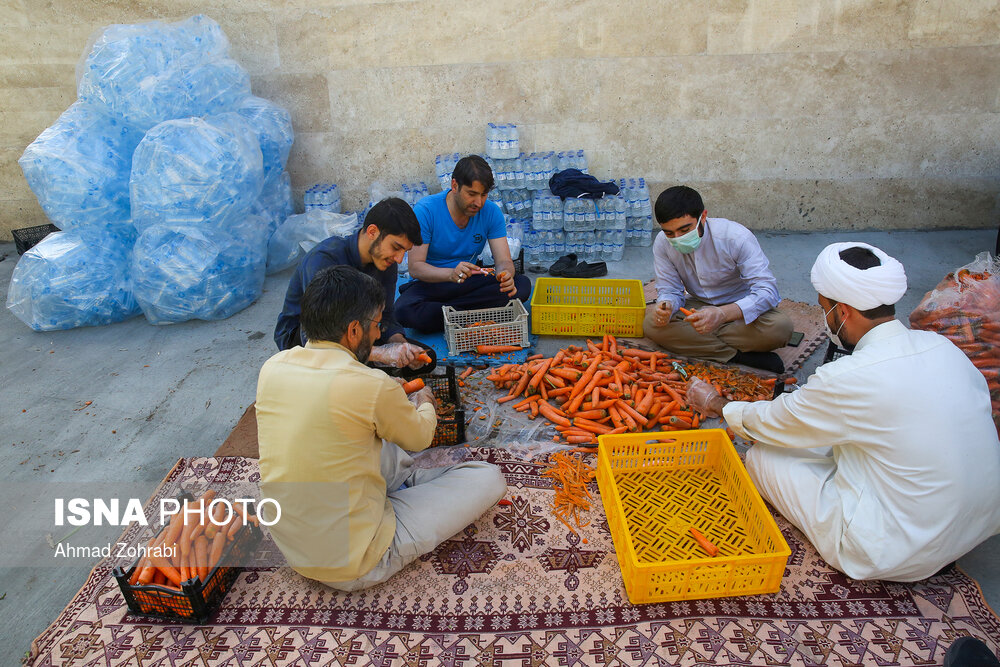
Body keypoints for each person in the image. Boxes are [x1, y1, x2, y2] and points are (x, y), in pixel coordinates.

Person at [685, 242, 1000, 582]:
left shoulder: (847, 377)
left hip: (895, 551)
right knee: (839, 437)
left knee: (763, 455)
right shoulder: (942, 347)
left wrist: (716, 403)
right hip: (974, 528)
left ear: (843, 311)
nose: (826, 318)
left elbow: (773, 423)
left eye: (825, 309)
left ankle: (856, 543)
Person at [256, 265, 507, 591]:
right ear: (353, 332)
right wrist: (425, 399)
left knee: (358, 435)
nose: (379, 334)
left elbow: (348, 396)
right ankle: (403, 491)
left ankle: (400, 485)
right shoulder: (371, 386)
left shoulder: (273, 368)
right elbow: (421, 437)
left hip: (294, 548)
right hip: (356, 563)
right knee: (488, 477)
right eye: (376, 325)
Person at [274, 197, 433, 375]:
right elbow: (317, 338)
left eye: (405, 251)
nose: (399, 258)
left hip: (361, 332)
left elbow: (386, 315)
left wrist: (399, 345)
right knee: (346, 372)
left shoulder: (386, 263)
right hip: (309, 339)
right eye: (396, 247)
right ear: (372, 231)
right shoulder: (324, 259)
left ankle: (367, 361)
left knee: (424, 359)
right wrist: (379, 353)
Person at [646, 185, 793, 373]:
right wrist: (666, 306)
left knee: (780, 328)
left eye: (685, 230)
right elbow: (670, 290)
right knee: (651, 325)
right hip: (697, 308)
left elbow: (767, 292)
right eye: (669, 233)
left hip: (740, 309)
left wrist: (722, 315)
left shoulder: (736, 237)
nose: (677, 238)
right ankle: (739, 355)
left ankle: (704, 343)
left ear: (703, 217)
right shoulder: (662, 243)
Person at [395, 155, 531, 333]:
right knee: (403, 310)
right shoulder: (426, 210)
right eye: (472, 194)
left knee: (522, 285)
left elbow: (504, 260)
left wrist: (505, 275)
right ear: (454, 186)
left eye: (483, 195)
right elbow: (416, 268)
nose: (478, 203)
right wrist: (451, 273)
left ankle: (451, 315)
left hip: (468, 281)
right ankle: (475, 316)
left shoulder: (491, 212)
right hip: (433, 282)